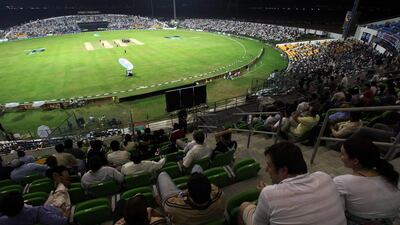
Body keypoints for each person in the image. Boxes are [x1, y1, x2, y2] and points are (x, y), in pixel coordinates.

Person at [239, 142, 346, 225]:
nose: (266, 170)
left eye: (269, 166)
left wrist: (267, 193)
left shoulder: (268, 194)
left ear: (283, 170)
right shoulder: (324, 177)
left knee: (244, 206)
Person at [333, 138, 400, 224]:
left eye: (342, 154)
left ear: (355, 161)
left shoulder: (342, 181)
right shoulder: (392, 176)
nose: (340, 157)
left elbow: (337, 210)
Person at [156, 166, 225, 225]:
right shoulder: (220, 195)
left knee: (162, 174)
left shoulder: (172, 208)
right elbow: (213, 187)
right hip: (210, 216)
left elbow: (166, 202)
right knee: (197, 167)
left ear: (189, 193)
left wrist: (182, 194)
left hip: (178, 198)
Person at [0, 192, 69, 225]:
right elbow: (62, 222)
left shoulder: (2, 221)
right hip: (56, 213)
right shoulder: (37, 212)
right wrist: (66, 213)